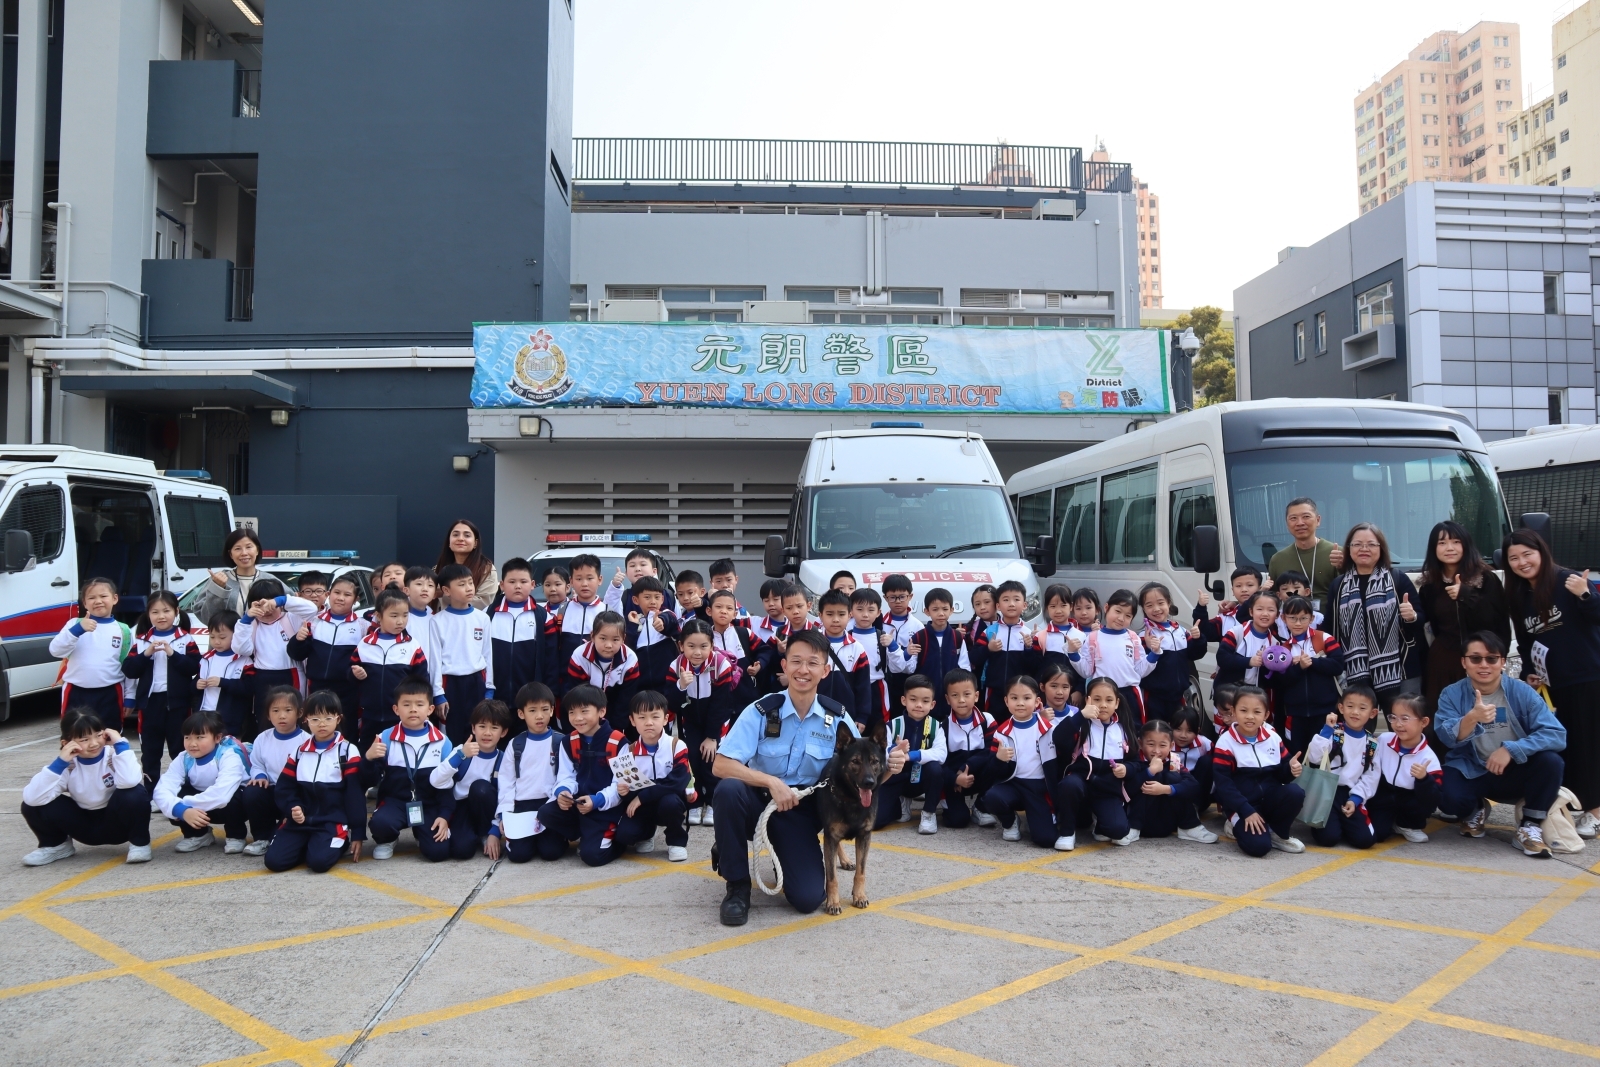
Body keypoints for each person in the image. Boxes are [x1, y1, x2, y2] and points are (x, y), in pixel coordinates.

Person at [711, 630, 893, 925]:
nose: (803, 670)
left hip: (801, 813)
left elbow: (860, 774)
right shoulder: (762, 710)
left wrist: (891, 768)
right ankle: (737, 887)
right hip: (758, 801)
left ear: (825, 670)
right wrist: (771, 782)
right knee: (728, 790)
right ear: (784, 666)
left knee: (808, 899)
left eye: (812, 663)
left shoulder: (837, 719)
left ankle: (778, 852)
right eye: (796, 661)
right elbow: (720, 765)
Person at [1434, 631, 1568, 858]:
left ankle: (1530, 824)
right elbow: (1445, 737)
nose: (1483, 665)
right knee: (1444, 793)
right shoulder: (1451, 694)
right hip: (1472, 770)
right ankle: (1475, 809)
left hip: (1514, 770)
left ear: (1502, 662)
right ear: (1464, 662)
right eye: (1475, 658)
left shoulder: (1522, 692)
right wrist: (1472, 717)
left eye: (1491, 658)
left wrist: (1511, 750)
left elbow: (1556, 734)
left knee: (1551, 762)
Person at [1502, 529, 1600, 834]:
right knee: (1566, 746)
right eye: (1514, 558)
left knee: (1589, 746)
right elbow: (1527, 641)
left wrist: (1585, 594)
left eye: (1527, 554)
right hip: (1552, 685)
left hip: (1587, 676)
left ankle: (1596, 813)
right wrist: (1529, 672)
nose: (1522, 562)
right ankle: (1576, 804)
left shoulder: (1568, 580)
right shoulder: (1519, 595)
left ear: (1541, 552)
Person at [21, 708, 151, 866]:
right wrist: (60, 763)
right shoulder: (67, 765)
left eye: (98, 735)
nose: (94, 743)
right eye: (84, 739)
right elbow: (32, 798)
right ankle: (56, 846)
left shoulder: (114, 755)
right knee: (33, 805)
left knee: (135, 793)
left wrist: (121, 744)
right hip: (84, 827)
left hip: (118, 825)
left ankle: (140, 843)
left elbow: (130, 780)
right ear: (66, 743)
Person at [1328, 522, 1426, 710]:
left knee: (1402, 721)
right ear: (1349, 549)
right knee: (1360, 725)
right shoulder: (1339, 585)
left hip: (1400, 669)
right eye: (1357, 544)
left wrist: (1411, 616)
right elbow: (1331, 628)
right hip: (1355, 672)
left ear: (1381, 549)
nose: (1364, 549)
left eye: (1371, 544)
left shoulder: (1397, 579)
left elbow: (1420, 620)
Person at [265, 693, 365, 874]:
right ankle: (308, 844)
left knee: (319, 863)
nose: (322, 724)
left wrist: (357, 832)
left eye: (328, 718)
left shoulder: (347, 751)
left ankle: (338, 841)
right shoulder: (299, 752)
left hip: (331, 822)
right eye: (315, 719)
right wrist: (293, 807)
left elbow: (355, 795)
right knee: (274, 862)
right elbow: (285, 788)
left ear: (338, 719)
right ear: (306, 720)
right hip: (300, 822)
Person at [1417, 521, 1511, 704]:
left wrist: (1466, 595)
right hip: (1442, 662)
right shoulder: (1429, 586)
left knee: (1484, 713)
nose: (1449, 548)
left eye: (1456, 542)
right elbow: (1428, 627)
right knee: (1442, 713)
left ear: (1466, 545)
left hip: (1480, 661)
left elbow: (1497, 622)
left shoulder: (1487, 579)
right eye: (1442, 543)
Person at [538, 684, 628, 867]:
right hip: (579, 804)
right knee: (545, 813)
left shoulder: (618, 741)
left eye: (584, 711)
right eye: (572, 712)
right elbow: (566, 776)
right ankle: (584, 835)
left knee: (592, 857)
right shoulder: (568, 741)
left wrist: (597, 800)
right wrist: (563, 792)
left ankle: (617, 841)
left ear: (602, 711)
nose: (577, 718)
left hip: (604, 808)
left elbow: (619, 786)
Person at [365, 678, 455, 861]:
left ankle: (421, 833)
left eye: (419, 704)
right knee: (381, 823)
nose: (413, 709)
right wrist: (368, 758)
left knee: (438, 853)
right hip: (395, 801)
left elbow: (447, 786)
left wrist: (444, 815)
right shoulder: (385, 738)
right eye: (406, 704)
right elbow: (370, 779)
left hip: (428, 804)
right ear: (396, 709)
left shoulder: (443, 742)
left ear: (430, 709)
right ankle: (388, 839)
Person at [1211, 685, 1306, 856]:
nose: (1250, 716)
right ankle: (1234, 823)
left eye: (1256, 712)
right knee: (1259, 847)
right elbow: (1223, 785)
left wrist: (1291, 769)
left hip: (1268, 800)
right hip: (1243, 806)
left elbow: (1281, 776)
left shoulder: (1273, 738)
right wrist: (1245, 810)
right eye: (1243, 710)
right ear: (1233, 712)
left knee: (1295, 792)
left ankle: (1277, 833)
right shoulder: (1225, 743)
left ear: (1266, 715)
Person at [123, 591, 202, 787]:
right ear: (148, 614)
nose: (161, 616)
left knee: (179, 749)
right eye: (155, 612)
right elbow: (129, 669)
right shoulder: (141, 640)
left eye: (166, 611)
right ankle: (151, 791)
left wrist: (172, 654)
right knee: (150, 751)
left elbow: (194, 667)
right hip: (150, 704)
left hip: (178, 704)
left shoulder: (185, 638)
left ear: (176, 611)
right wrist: (146, 653)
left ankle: (181, 790)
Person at [672, 619, 744, 828]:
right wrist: (680, 686)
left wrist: (712, 737)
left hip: (716, 720)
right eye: (691, 646)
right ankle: (695, 802)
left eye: (704, 646)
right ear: (681, 646)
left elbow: (721, 704)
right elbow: (671, 703)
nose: (697, 652)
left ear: (712, 645)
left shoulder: (721, 665)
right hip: (690, 720)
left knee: (712, 759)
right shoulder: (676, 666)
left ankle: (712, 802)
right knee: (692, 757)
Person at [152, 710, 252, 855]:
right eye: (187, 737)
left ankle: (235, 835)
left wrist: (185, 805)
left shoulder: (228, 756)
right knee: (173, 797)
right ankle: (199, 835)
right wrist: (181, 810)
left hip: (230, 806)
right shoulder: (183, 758)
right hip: (202, 807)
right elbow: (162, 789)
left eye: (200, 737)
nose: (192, 743)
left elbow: (222, 795)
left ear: (217, 738)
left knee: (234, 796)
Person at [1051, 676, 1133, 850]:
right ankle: (1067, 833)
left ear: (1117, 703)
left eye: (1109, 700)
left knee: (1118, 830)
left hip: (1107, 791)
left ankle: (1100, 824)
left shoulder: (1123, 728)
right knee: (1069, 785)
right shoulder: (1079, 722)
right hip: (1081, 784)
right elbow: (1058, 738)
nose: (1103, 705)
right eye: (1096, 699)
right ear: (1087, 700)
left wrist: (1127, 768)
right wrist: (1081, 716)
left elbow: (1137, 761)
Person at [613, 690, 694, 862]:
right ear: (632, 720)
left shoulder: (676, 745)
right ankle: (647, 833)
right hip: (643, 806)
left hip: (668, 801)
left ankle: (676, 841)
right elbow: (626, 786)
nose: (649, 722)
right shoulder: (628, 751)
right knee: (625, 835)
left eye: (655, 716)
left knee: (670, 802)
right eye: (642, 717)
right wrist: (623, 791)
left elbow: (678, 782)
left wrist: (642, 796)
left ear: (665, 719)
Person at [288, 574, 367, 741]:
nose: (340, 598)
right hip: (316, 687)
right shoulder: (314, 622)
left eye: (347, 594)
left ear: (356, 599)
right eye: (337, 592)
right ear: (329, 594)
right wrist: (298, 640)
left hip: (348, 691)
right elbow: (296, 654)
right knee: (317, 729)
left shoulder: (363, 627)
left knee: (347, 731)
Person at [352, 588, 432, 752]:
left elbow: (421, 681)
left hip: (400, 716)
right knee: (369, 754)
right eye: (394, 616)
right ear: (379, 616)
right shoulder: (365, 644)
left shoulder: (412, 646)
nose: (400, 621)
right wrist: (355, 673)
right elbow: (350, 672)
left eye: (405, 615)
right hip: (370, 715)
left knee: (398, 754)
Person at [497, 682, 569, 863]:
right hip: (522, 806)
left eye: (545, 709)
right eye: (532, 710)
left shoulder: (560, 742)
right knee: (519, 855)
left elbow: (566, 775)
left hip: (550, 804)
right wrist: (505, 814)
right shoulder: (516, 744)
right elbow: (506, 782)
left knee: (551, 852)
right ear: (521, 713)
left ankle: (555, 838)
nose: (539, 716)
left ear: (552, 710)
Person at [981, 675, 1058, 846]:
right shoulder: (1002, 732)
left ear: (1037, 701)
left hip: (1039, 788)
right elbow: (991, 772)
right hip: (1014, 785)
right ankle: (1010, 822)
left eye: (1026, 698)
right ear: (1006, 701)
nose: (1020, 703)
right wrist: (999, 760)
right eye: (1014, 698)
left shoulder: (1049, 729)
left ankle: (1036, 817)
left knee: (1046, 840)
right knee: (992, 797)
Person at [429, 699, 510, 860]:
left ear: (503, 732)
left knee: (480, 788)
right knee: (461, 851)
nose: (487, 733)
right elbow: (435, 780)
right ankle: (471, 834)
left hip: (487, 807)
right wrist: (460, 756)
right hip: (462, 807)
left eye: (494, 728)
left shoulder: (504, 759)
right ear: (473, 728)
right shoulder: (461, 751)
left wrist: (494, 832)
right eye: (482, 726)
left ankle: (484, 833)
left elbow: (506, 797)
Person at [1267, 596, 1346, 759]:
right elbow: (1279, 682)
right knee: (1298, 755)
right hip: (1295, 714)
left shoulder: (1324, 638)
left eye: (1303, 618)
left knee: (1325, 756)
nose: (1298, 623)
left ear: (1312, 618)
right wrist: (1299, 668)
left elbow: (1338, 665)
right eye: (1292, 618)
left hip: (1325, 712)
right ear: (1283, 618)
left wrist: (1312, 662)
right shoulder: (1282, 648)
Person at [1304, 686, 1382, 850]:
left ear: (1373, 713)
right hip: (1327, 791)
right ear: (1341, 708)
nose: (1355, 712)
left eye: (1362, 708)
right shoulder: (1333, 732)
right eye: (1350, 706)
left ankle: (1342, 822)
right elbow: (1314, 757)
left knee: (1366, 840)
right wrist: (1326, 730)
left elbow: (1371, 777)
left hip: (1352, 793)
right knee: (1328, 838)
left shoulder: (1372, 743)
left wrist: (1356, 799)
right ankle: (1333, 824)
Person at [233, 582, 318, 729]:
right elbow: (241, 649)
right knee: (265, 718)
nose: (266, 611)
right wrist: (247, 618)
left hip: (291, 674)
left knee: (294, 716)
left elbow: (312, 609)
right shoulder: (250, 624)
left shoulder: (291, 618)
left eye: (270, 606)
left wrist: (279, 601)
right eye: (261, 606)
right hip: (262, 677)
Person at [49, 577, 131, 724]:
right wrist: (78, 630)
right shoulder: (74, 624)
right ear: (85, 603)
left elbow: (129, 666)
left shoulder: (124, 630)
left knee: (110, 733)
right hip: (75, 692)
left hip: (111, 693)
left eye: (103, 596)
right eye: (92, 598)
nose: (98, 601)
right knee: (75, 734)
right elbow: (55, 650)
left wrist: (130, 696)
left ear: (115, 598)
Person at [1069, 588, 1156, 723]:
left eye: (1128, 616)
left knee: (1133, 730)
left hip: (1130, 694)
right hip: (1101, 696)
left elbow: (1140, 670)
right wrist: (1073, 654)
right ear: (1106, 608)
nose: (1121, 618)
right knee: (1099, 728)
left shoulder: (1133, 638)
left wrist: (1154, 654)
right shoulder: (1093, 638)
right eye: (1118, 611)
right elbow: (1086, 671)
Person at [432, 563, 496, 744]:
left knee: (478, 729)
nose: (468, 588)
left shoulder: (482, 618)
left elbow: (487, 654)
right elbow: (435, 660)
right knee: (451, 733)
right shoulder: (437, 621)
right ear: (446, 590)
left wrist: (489, 688)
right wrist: (438, 694)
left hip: (477, 682)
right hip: (450, 684)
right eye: (461, 584)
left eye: (470, 582)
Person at [244, 686, 310, 857]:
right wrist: (260, 776)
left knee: (284, 835)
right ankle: (261, 838)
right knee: (252, 791)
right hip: (272, 791)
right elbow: (257, 764)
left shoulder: (306, 741)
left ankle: (281, 832)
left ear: (299, 712)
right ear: (268, 714)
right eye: (276, 710)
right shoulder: (263, 738)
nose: (282, 716)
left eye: (288, 710)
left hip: (294, 796)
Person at [876, 674, 946, 835]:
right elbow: (880, 754)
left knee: (935, 769)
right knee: (875, 821)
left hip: (920, 780)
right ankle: (900, 804)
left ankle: (928, 813)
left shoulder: (937, 727)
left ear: (932, 704)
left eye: (925, 701)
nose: (919, 705)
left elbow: (941, 754)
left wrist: (910, 756)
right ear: (904, 700)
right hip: (895, 779)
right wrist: (894, 751)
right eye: (913, 699)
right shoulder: (892, 725)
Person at [1369, 693, 1442, 844]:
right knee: (1378, 834)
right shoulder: (1383, 740)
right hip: (1384, 797)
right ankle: (1390, 821)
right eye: (1393, 717)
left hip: (1410, 801)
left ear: (1424, 722)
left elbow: (1433, 799)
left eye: (1405, 718)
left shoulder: (1429, 758)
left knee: (1421, 801)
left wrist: (1424, 779)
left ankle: (1407, 825)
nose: (1398, 724)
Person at [1127, 719, 1214, 843]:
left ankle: (1189, 827)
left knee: (1174, 778)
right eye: (1151, 744)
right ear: (1140, 743)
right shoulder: (1134, 761)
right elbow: (1128, 789)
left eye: (1162, 745)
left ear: (1171, 745)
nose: (1156, 751)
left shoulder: (1173, 760)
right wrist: (1149, 772)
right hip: (1139, 821)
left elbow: (1193, 785)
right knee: (1153, 776)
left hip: (1167, 821)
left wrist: (1166, 789)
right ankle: (1133, 829)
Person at [488, 558, 549, 731]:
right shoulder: (488, 614)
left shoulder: (543, 617)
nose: (517, 586)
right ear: (501, 584)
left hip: (529, 700)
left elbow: (550, 660)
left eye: (523, 581)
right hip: (496, 696)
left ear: (532, 584)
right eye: (512, 582)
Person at [1138, 582, 1206, 723]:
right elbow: (1139, 669)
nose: (1156, 609)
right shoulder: (1144, 636)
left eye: (1160, 603)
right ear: (1143, 609)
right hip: (1154, 698)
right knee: (1156, 731)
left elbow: (1195, 654)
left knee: (1178, 730)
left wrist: (1198, 638)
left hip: (1178, 696)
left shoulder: (1180, 630)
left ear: (1169, 603)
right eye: (1149, 605)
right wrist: (1150, 649)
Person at [972, 581, 1040, 721]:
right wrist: (988, 649)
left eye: (1016, 599)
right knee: (992, 725)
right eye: (1006, 600)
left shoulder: (1028, 634)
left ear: (1024, 605)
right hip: (993, 692)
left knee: (1018, 725)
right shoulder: (989, 632)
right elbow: (973, 658)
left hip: (1019, 695)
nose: (1011, 604)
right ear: (998, 606)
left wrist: (1028, 648)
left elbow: (1035, 666)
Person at [940, 669, 996, 828]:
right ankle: (949, 805)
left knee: (999, 761)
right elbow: (940, 764)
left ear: (976, 696)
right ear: (947, 699)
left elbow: (992, 750)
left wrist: (967, 766)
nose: (961, 700)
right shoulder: (943, 727)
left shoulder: (987, 720)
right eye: (955, 695)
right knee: (958, 820)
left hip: (978, 775)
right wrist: (955, 779)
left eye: (967, 694)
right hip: (956, 781)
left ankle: (981, 806)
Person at [564, 611, 641, 724]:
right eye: (603, 638)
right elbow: (576, 695)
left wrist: (615, 728)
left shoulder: (630, 660)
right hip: (585, 707)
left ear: (623, 638)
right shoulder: (579, 656)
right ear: (593, 636)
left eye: (615, 640)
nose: (608, 645)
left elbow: (625, 700)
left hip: (615, 706)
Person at [1266, 498, 1344, 606]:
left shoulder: (1338, 553)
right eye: (1293, 518)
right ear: (1287, 524)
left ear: (1318, 520)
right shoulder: (1278, 559)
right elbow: (1272, 600)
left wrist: (1343, 567)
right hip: (1293, 617)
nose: (1300, 523)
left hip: (1333, 616)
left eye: (1306, 517)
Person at [907, 587, 970, 719]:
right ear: (927, 611)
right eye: (935, 609)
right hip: (925, 698)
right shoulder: (919, 637)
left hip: (951, 697)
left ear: (952, 610)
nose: (941, 613)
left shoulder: (957, 637)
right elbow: (910, 668)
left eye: (945, 609)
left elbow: (965, 668)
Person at [545, 553, 607, 686]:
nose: (584, 584)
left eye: (590, 578)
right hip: (566, 683)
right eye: (579, 579)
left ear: (599, 579)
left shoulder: (607, 612)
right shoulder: (562, 610)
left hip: (596, 685)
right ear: (571, 581)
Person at [816, 588, 872, 726]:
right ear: (820, 615)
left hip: (847, 716)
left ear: (849, 615)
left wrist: (862, 717)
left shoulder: (857, 648)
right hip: (814, 712)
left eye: (841, 614)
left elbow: (863, 687)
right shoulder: (811, 645)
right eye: (829, 614)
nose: (835, 619)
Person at [193, 527, 266, 626]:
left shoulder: (270, 581)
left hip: (260, 636)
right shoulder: (219, 579)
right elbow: (207, 618)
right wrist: (219, 589)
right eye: (237, 548)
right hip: (228, 636)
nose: (244, 553)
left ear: (257, 550)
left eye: (249, 547)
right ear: (230, 554)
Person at [623, 575, 680, 697]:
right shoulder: (635, 622)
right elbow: (628, 648)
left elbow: (670, 620)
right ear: (635, 600)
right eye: (647, 597)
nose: (653, 601)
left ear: (662, 599)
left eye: (657, 597)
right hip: (641, 689)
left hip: (667, 685)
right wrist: (632, 626)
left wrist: (662, 622)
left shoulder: (666, 614)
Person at [879, 573, 923, 710]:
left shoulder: (917, 626)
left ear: (910, 596)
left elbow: (916, 660)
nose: (898, 601)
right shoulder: (880, 624)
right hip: (885, 678)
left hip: (909, 680)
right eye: (892, 597)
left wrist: (906, 654)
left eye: (902, 596)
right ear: (885, 598)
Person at [436, 518, 498, 610]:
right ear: (449, 541)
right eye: (456, 535)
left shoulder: (486, 569)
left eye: (467, 535)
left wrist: (444, 595)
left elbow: (483, 602)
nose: (460, 539)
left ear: (475, 543)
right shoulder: (438, 569)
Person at [1032, 583, 1083, 673]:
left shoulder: (1081, 636)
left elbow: (1085, 668)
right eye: (1053, 606)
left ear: (1071, 606)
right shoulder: (1040, 637)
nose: (1058, 611)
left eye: (1063, 605)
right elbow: (1036, 668)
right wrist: (1028, 647)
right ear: (1047, 608)